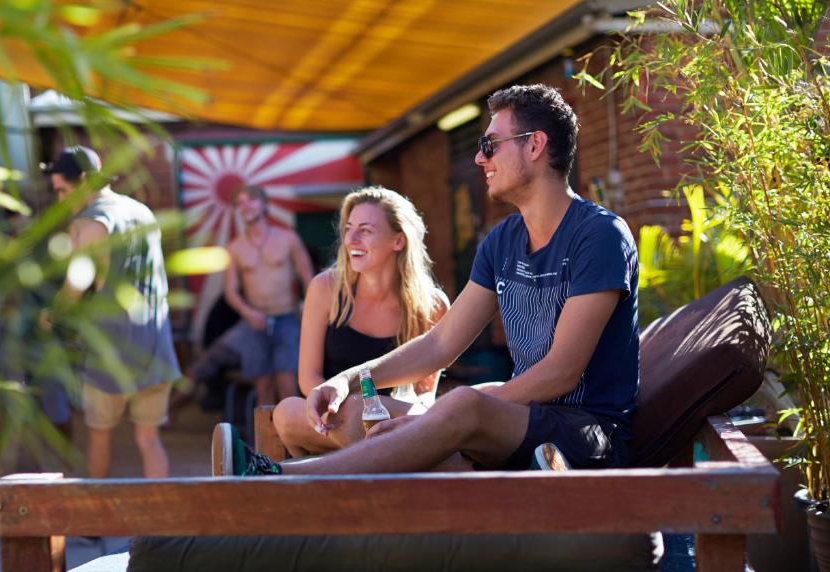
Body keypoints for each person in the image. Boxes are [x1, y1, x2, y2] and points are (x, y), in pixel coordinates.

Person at [217, 84, 639, 476]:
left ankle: (276, 477)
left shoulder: (598, 235)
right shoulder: (502, 241)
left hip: (586, 434)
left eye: (490, 145)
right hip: (523, 421)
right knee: (368, 414)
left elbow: (561, 373)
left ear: (534, 145)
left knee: (462, 404)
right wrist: (346, 379)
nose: (480, 159)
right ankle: (445, 472)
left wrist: (438, 416)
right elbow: (440, 343)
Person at [271, 186, 449, 455]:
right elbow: (309, 378)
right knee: (286, 412)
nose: (351, 239)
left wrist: (377, 417)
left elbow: (424, 396)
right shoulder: (325, 288)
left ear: (398, 241)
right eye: (348, 228)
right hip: (334, 416)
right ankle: (379, 455)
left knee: (417, 417)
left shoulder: (433, 305)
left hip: (395, 421)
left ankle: (364, 458)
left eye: (365, 230)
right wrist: (339, 408)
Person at [44, 145, 180, 478]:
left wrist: (48, 316)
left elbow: (74, 289)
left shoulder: (88, 224)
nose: (61, 200)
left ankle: (93, 528)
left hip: (111, 346)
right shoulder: (142, 212)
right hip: (155, 342)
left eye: (63, 190)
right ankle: (163, 527)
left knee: (99, 434)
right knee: (149, 438)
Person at [223, 184, 314, 406]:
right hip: (255, 323)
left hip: (287, 318)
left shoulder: (288, 238)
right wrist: (248, 313)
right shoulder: (234, 248)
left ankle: (292, 440)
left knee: (287, 383)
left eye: (251, 200)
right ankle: (266, 440)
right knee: (263, 388)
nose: (246, 207)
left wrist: (308, 309)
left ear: (265, 205)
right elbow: (230, 291)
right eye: (240, 203)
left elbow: (310, 280)